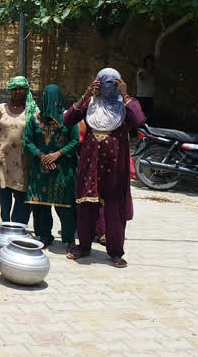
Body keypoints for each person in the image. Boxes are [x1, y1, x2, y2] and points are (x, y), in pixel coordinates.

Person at [64, 68, 145, 268]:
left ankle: (116, 252)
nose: (108, 87)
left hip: (115, 166)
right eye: (104, 82)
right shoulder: (90, 104)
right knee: (86, 205)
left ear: (119, 84)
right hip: (90, 164)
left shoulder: (125, 105)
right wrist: (85, 95)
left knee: (114, 208)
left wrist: (125, 95)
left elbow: (139, 120)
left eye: (113, 83)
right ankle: (83, 247)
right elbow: (67, 120)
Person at [23, 84, 80, 252]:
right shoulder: (34, 119)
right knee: (41, 205)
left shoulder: (68, 119)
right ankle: (45, 236)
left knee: (65, 205)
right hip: (40, 169)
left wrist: (57, 154)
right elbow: (28, 141)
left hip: (62, 169)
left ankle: (69, 239)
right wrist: (42, 156)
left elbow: (75, 140)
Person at [0, 76, 37, 225]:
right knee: (3, 193)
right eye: (13, 89)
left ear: (26, 91)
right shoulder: (1, 109)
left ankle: (17, 225)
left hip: (23, 161)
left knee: (21, 195)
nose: (16, 92)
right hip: (2, 160)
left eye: (20, 89)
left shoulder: (32, 111)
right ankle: (5, 222)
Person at [136, 55, 154, 123]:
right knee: (140, 117)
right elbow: (142, 77)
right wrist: (149, 68)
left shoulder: (152, 73)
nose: (150, 64)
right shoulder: (141, 71)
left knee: (148, 118)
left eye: (151, 62)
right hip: (142, 97)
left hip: (149, 97)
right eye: (148, 63)